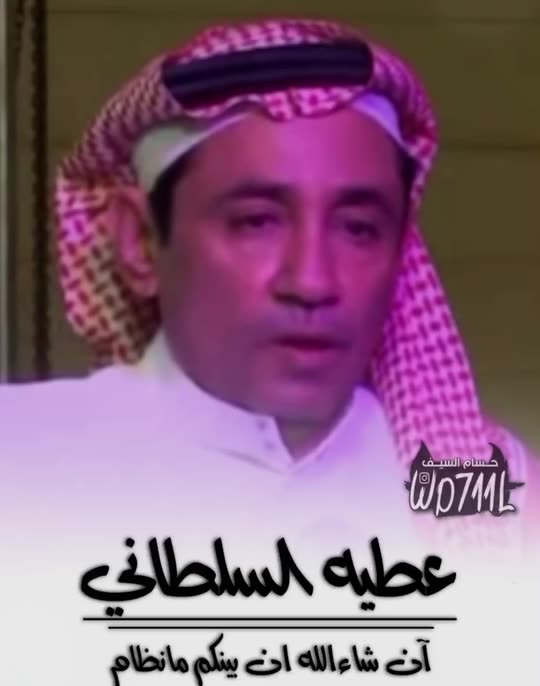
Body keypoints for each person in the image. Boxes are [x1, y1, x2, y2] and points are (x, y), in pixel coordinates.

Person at [2, 17, 538, 551]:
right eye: (256, 222)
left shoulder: (483, 487)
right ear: (139, 242)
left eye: (358, 229)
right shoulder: (23, 458)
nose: (312, 281)